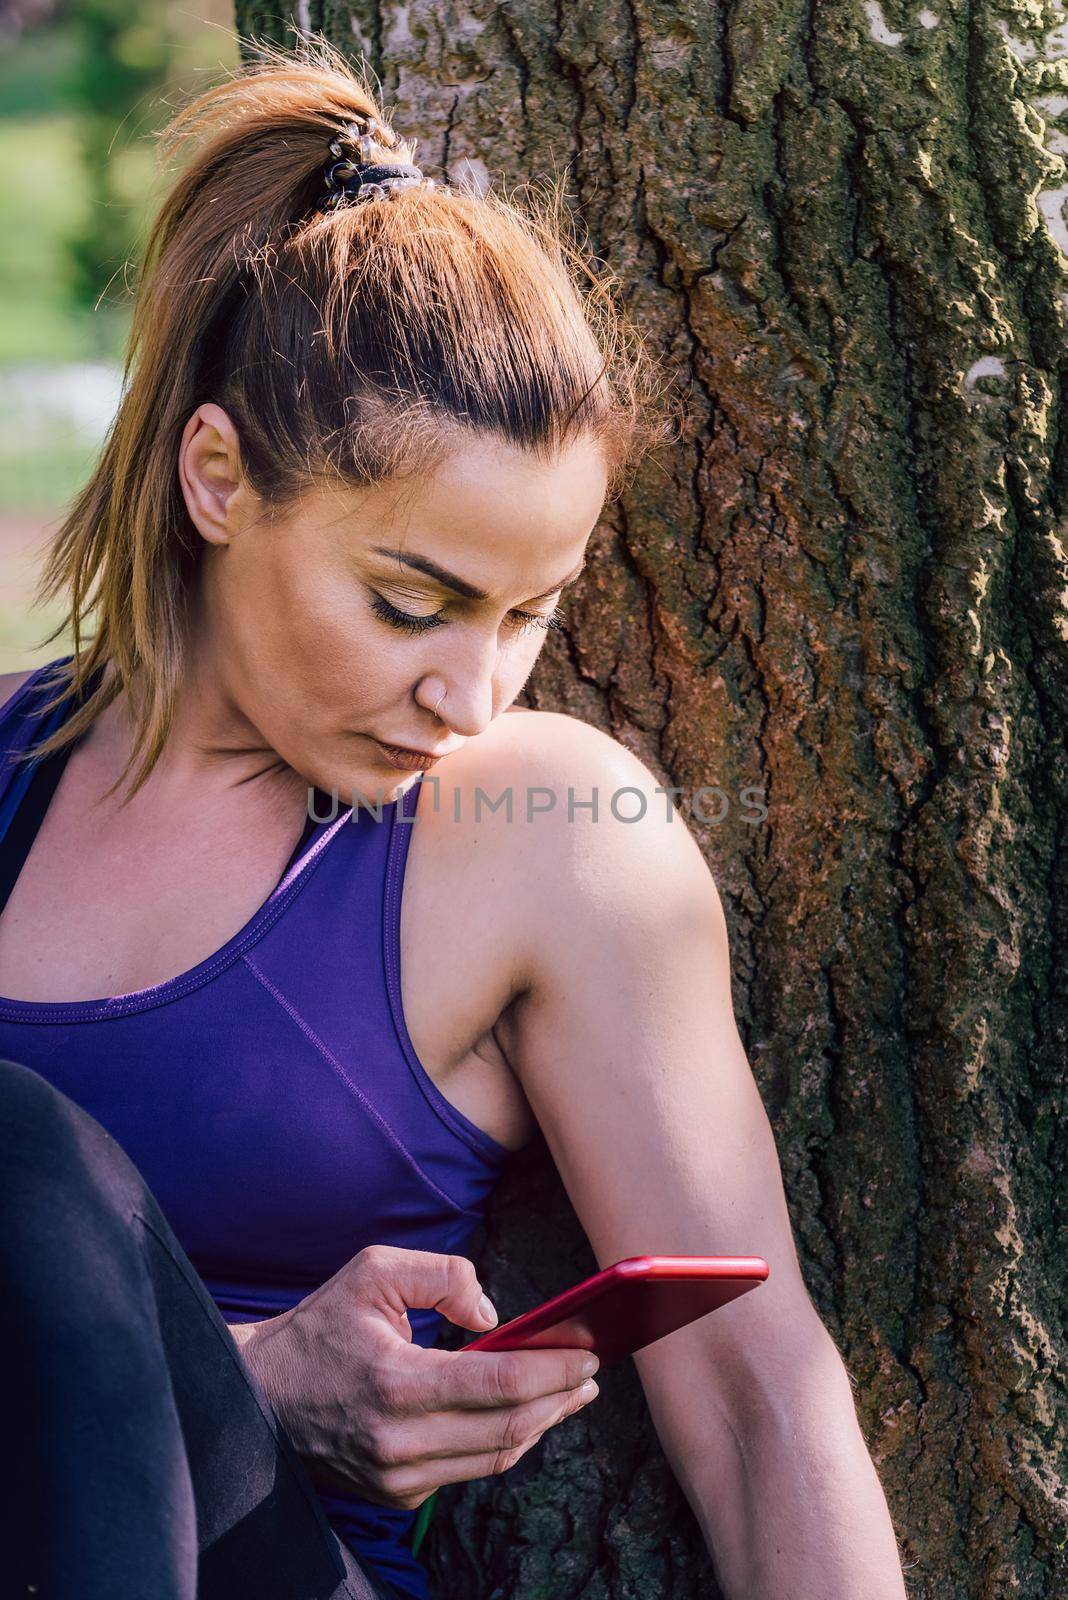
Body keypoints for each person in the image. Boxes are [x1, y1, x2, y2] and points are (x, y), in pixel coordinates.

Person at [0, 33, 907, 1600]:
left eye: (527, 614)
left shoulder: (549, 839)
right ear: (219, 479)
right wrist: (258, 1374)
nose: (472, 697)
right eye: (410, 602)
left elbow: (764, 1403)